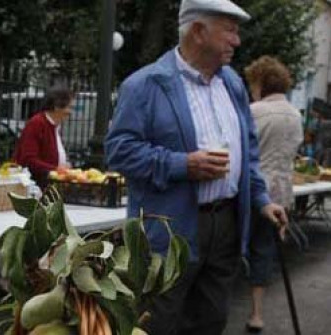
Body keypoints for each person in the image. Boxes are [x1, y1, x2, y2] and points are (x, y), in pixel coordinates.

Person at [104, 0, 289, 333]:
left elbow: (248, 155)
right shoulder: (144, 85)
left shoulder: (232, 83)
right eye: (230, 30)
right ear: (199, 32)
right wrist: (183, 165)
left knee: (211, 321)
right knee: (157, 322)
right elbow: (118, 152)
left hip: (226, 226)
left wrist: (262, 201)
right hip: (169, 231)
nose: (237, 41)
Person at [243, 55, 303, 333]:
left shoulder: (253, 111)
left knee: (234, 247)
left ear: (261, 82)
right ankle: (257, 313)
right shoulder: (295, 114)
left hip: (252, 189)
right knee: (264, 250)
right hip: (281, 191)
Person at [13, 87, 74, 189]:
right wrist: (56, 169)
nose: (70, 112)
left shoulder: (53, 126)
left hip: (46, 185)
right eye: (69, 107)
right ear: (57, 107)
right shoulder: (37, 124)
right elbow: (28, 159)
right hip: (34, 186)